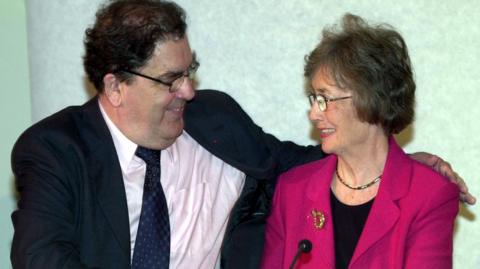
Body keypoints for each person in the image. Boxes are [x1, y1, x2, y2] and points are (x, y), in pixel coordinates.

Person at [10, 1, 473, 269]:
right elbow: (43, 258)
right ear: (115, 86)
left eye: (191, 70)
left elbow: (308, 163)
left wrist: (406, 166)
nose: (189, 91)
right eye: (171, 79)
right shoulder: (54, 149)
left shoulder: (214, 118)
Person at [261, 14, 461, 269]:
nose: (313, 114)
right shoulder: (292, 191)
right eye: (313, 99)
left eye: (324, 99)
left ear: (370, 98)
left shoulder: (429, 195)